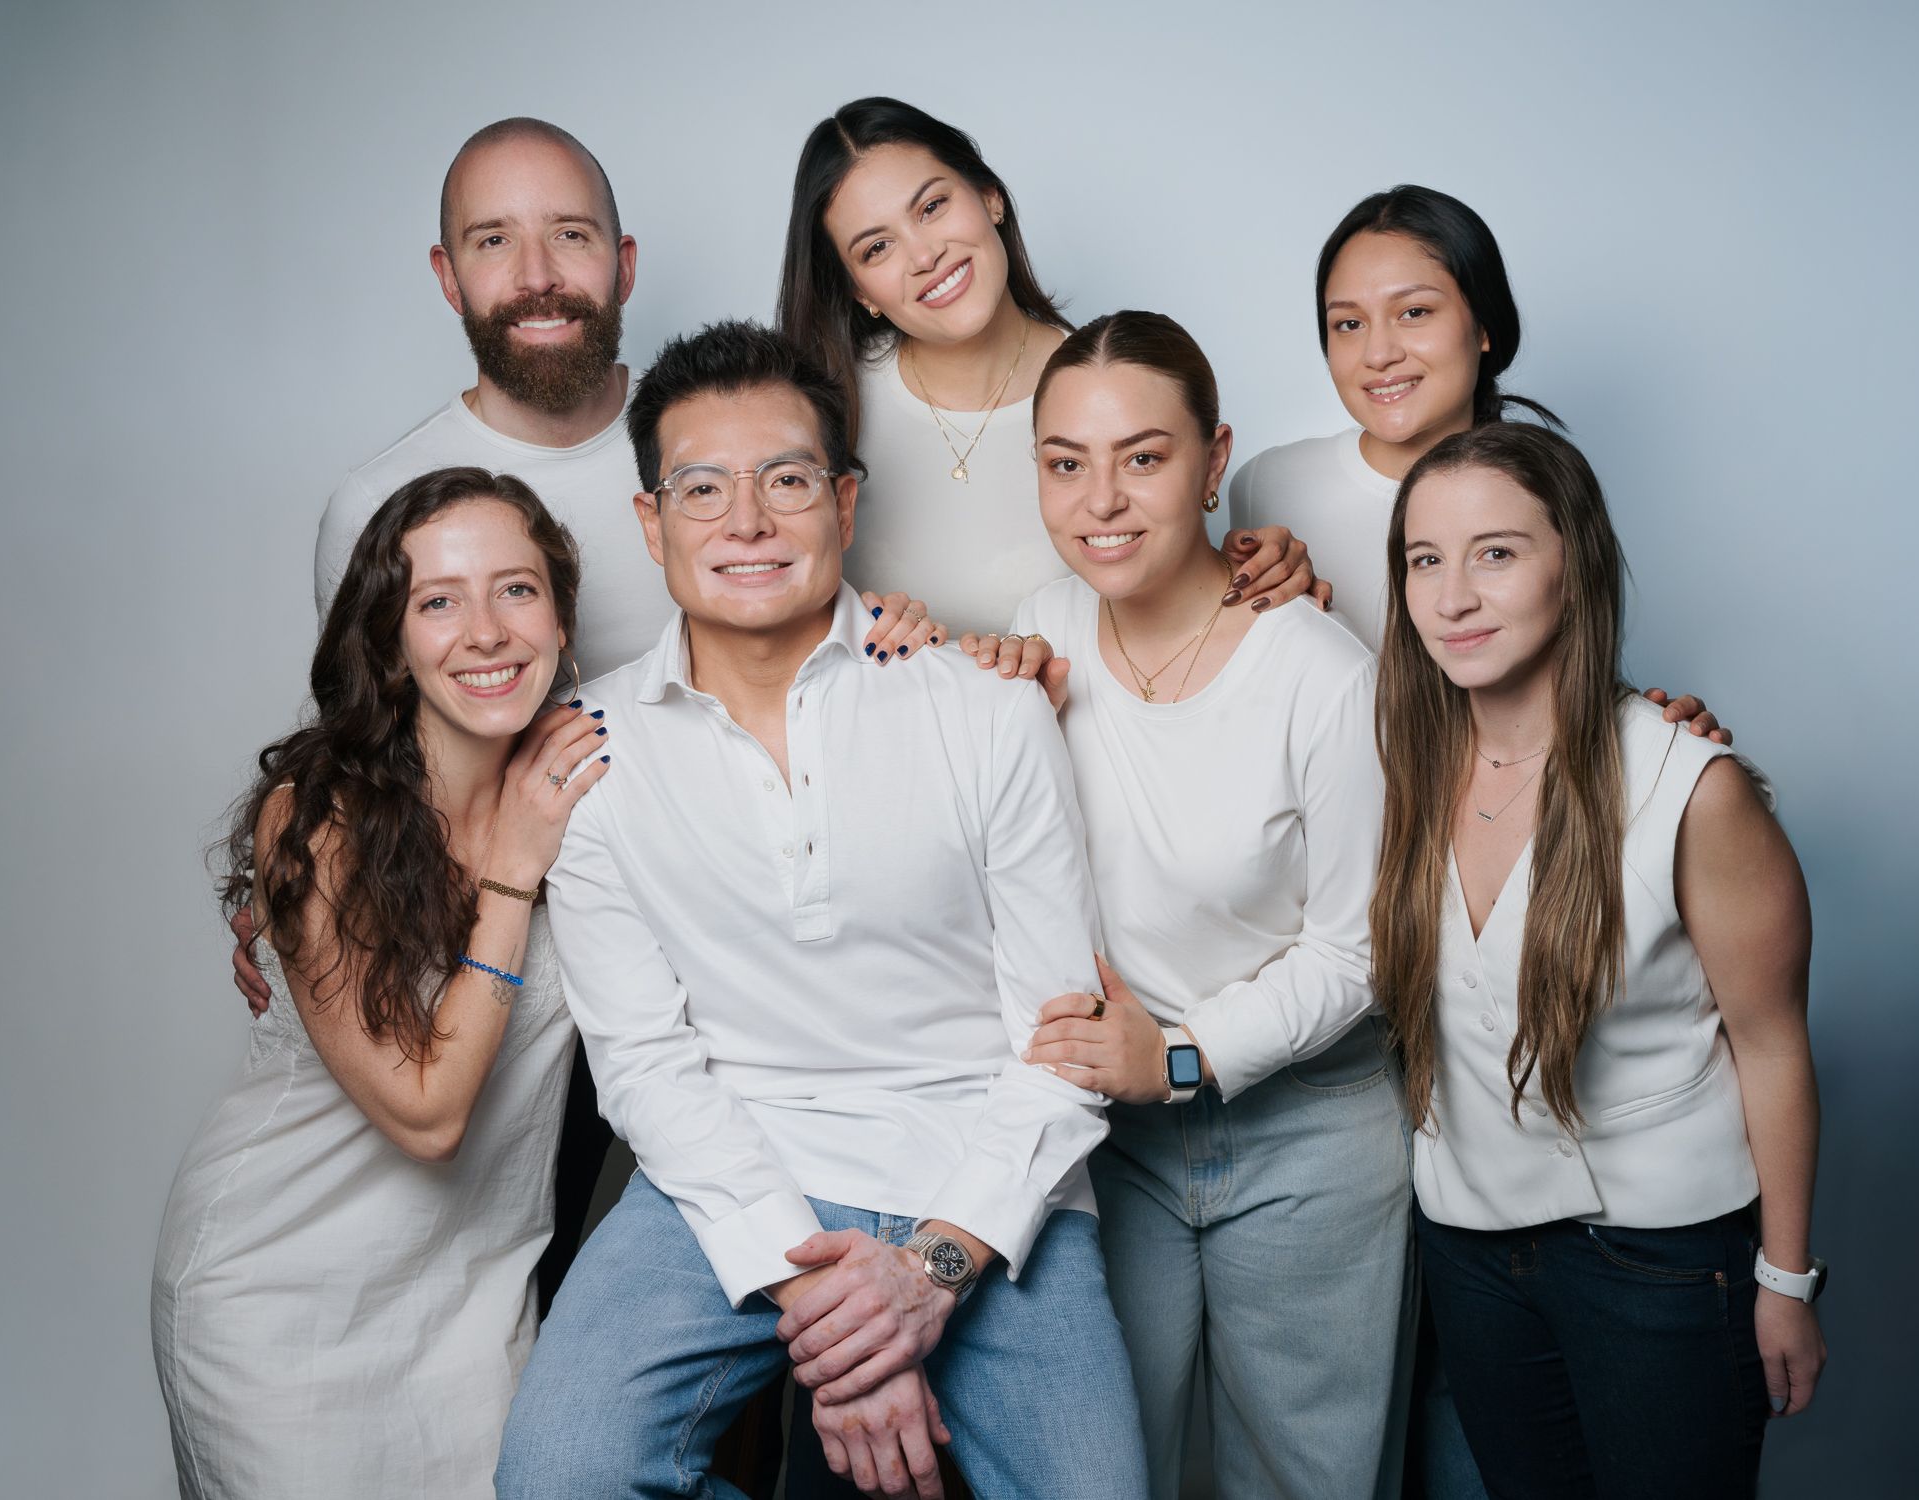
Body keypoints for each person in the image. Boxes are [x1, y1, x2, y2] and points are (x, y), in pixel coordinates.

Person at [241, 118, 941, 1319]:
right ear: (446, 275)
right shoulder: (379, 501)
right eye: (492, 242)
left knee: (780, 1279)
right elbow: (366, 764)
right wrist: (294, 891)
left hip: (749, 966)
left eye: (568, 236)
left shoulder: (710, 436)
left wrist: (909, 629)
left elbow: (818, 620)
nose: (536, 276)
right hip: (526, 979)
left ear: (621, 263)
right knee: (550, 1285)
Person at [492, 321, 1148, 1500]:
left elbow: (1063, 1045)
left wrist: (929, 1271)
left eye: (786, 479)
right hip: (727, 1168)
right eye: (701, 488)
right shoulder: (589, 753)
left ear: (843, 502)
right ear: (650, 521)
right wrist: (830, 1309)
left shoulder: (985, 710)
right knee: (559, 1472)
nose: (745, 520)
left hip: (984, 1171)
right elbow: (643, 1066)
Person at [1373, 423, 1826, 1498]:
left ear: (1571, 568)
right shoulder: (1398, 765)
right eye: (1424, 561)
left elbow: (1771, 1046)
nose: (1452, 597)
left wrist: (1784, 1280)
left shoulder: (1690, 787)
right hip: (1470, 1251)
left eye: (1495, 553)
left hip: (1657, 1259)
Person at [1009, 311, 1412, 1498]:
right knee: (1103, 1466)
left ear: (1212, 460)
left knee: (1300, 1478)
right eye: (1065, 463)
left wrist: (1179, 1058)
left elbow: (1360, 950)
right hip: (1106, 1142)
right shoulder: (1036, 635)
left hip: (1307, 1134)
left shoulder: (1320, 672)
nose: (1100, 501)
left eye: (1142, 457)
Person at [152, 468, 610, 1499]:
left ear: (562, 616)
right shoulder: (318, 819)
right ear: (390, 642)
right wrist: (514, 873)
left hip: (475, 1303)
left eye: (516, 589)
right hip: (277, 1299)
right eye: (438, 601)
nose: (486, 632)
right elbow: (426, 1115)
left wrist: (925, 646)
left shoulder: (597, 783)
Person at [777, 96, 1312, 673]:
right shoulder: (817, 410)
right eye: (877, 247)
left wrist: (1259, 568)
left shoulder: (1110, 390)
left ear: (990, 197)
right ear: (858, 289)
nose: (925, 255)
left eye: (932, 206)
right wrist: (853, 629)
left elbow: (1179, 583)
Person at [1224, 184, 1720, 738]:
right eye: (1348, 323)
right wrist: (1226, 582)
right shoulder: (1266, 485)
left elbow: (1572, 684)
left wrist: (1661, 740)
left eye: (1414, 312)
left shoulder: (1544, 489)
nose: (1378, 354)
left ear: (1483, 326)